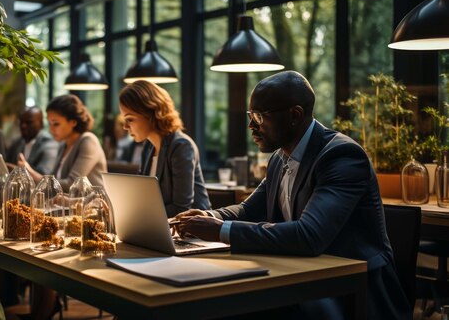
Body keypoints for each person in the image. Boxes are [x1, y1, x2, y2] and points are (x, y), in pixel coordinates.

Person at [174, 71, 410, 320]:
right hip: (307, 276)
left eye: (259, 116)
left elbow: (309, 236)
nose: (251, 125)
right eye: (250, 115)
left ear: (294, 115)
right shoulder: (280, 157)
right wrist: (206, 216)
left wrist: (220, 230)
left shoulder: (342, 156)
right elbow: (248, 210)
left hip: (352, 292)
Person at [119, 80, 210, 217]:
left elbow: (181, 209)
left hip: (193, 232)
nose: (125, 127)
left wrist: (140, 215)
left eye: (130, 119)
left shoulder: (182, 146)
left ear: (151, 113)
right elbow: (142, 197)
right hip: (161, 228)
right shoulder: (148, 146)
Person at [21, 94, 107, 190]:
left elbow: (72, 184)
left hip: (95, 204)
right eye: (50, 124)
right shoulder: (63, 145)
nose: (51, 129)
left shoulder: (89, 141)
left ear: (73, 122)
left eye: (56, 124)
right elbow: (54, 181)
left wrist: (29, 171)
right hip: (71, 204)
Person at [6, 106, 58, 174]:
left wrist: (16, 169)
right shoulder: (16, 143)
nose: (23, 126)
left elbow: (44, 174)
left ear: (41, 124)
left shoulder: (50, 144)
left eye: (29, 122)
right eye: (21, 122)